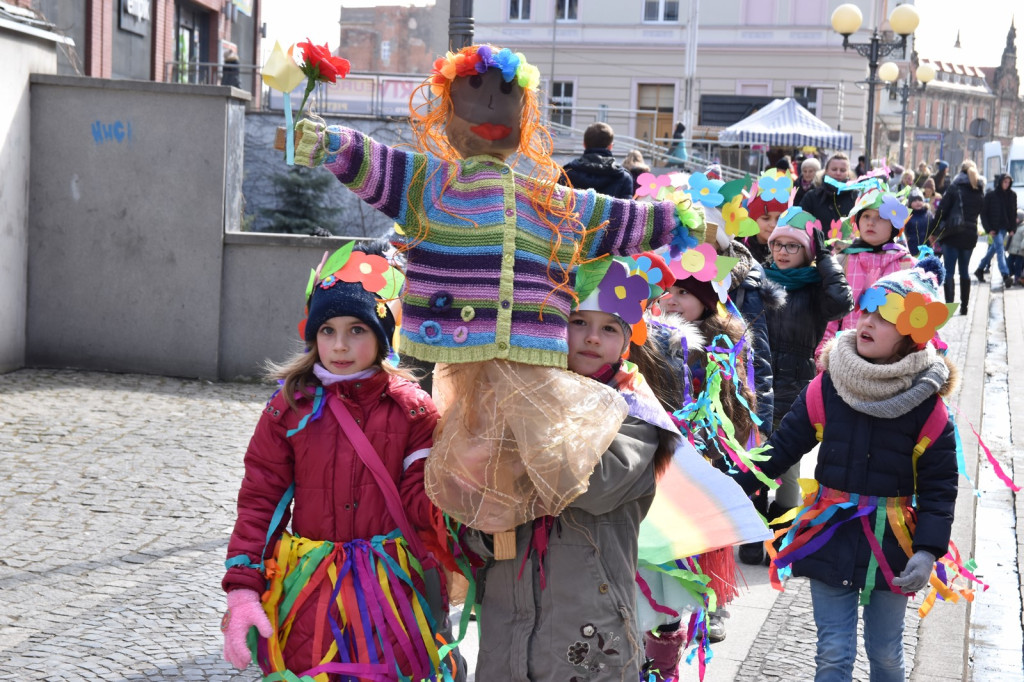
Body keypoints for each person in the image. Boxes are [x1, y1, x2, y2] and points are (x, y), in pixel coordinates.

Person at [291, 44, 700, 537]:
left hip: (530, 361)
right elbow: (376, 161)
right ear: (445, 115)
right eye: (473, 95)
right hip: (448, 359)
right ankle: (470, 549)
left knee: (533, 462)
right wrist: (332, 143)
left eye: (504, 96)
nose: (487, 109)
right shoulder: (428, 184)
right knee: (450, 460)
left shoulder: (551, 202)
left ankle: (511, 550)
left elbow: (613, 216)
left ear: (524, 118)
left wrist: (671, 219)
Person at [221, 243, 458, 680]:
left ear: (383, 336)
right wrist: (242, 590)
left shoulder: (412, 409)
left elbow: (423, 497)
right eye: (327, 330)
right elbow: (261, 500)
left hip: (391, 592)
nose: (340, 345)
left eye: (357, 330)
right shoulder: (288, 407)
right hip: (311, 591)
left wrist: (466, 505)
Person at [732, 257, 960, 682]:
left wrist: (928, 549)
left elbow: (939, 486)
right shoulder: (828, 385)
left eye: (885, 318)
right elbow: (784, 446)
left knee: (887, 655)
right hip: (831, 534)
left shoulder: (930, 408)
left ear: (912, 338)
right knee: (833, 653)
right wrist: (735, 481)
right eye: (869, 310)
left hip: (894, 543)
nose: (868, 322)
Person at [470, 259, 678, 681]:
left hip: (589, 618)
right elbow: (475, 494)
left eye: (609, 329)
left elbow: (591, 486)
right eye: (578, 321)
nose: (591, 338)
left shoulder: (635, 415)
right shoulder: (517, 393)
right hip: (508, 623)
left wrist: (528, 410)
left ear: (627, 342)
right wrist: (482, 534)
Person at [759, 209, 854, 540]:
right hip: (757, 376)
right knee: (755, 456)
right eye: (777, 245)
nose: (782, 252)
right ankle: (753, 534)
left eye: (792, 246)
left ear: (807, 252)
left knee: (786, 462)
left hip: (796, 381)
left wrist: (826, 259)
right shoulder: (760, 280)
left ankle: (781, 527)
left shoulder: (816, 289)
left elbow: (843, 302)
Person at [817, 187, 915, 357]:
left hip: (891, 353)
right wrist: (824, 351)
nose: (870, 223)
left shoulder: (906, 264)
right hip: (847, 351)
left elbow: (916, 312)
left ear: (893, 226)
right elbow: (832, 312)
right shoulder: (843, 260)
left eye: (880, 218)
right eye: (866, 216)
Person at [931, 160, 985, 316]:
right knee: (964, 271)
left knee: (949, 271)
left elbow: (941, 210)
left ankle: (949, 307)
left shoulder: (955, 188)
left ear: (961, 171)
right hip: (970, 235)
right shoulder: (978, 190)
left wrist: (933, 231)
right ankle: (965, 307)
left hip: (952, 234)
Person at [560, 121, 636, 198]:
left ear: (584, 144)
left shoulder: (567, 173)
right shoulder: (624, 177)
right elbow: (625, 209)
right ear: (610, 146)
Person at [975, 173, 1018, 288]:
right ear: (1000, 182)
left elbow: (1013, 213)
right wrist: (988, 229)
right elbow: (983, 214)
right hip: (994, 229)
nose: (1006, 184)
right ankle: (1005, 275)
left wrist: (1012, 228)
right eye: (1005, 182)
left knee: (994, 249)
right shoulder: (990, 195)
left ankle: (979, 269)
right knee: (1000, 250)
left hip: (1005, 227)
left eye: (1008, 182)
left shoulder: (1012, 195)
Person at [744, 168, 792, 265]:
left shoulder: (792, 251)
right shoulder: (741, 251)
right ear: (753, 220)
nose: (773, 225)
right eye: (766, 218)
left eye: (779, 219)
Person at [800, 152, 856, 231]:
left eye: (843, 170)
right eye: (834, 169)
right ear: (826, 171)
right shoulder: (812, 197)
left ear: (848, 173)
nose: (838, 173)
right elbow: (801, 224)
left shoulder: (856, 197)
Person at [904, 188, 932, 257]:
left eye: (920, 200)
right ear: (910, 203)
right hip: (913, 248)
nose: (918, 202)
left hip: (927, 248)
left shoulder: (928, 214)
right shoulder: (907, 215)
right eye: (915, 200)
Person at [1008, 209, 1024, 286]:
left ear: (1020, 218)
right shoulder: (1013, 227)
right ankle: (1014, 274)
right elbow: (1008, 237)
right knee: (1009, 263)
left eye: (1016, 217)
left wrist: (1022, 246)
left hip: (1020, 251)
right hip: (1012, 250)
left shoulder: (1023, 228)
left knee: (1018, 265)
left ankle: (1017, 279)